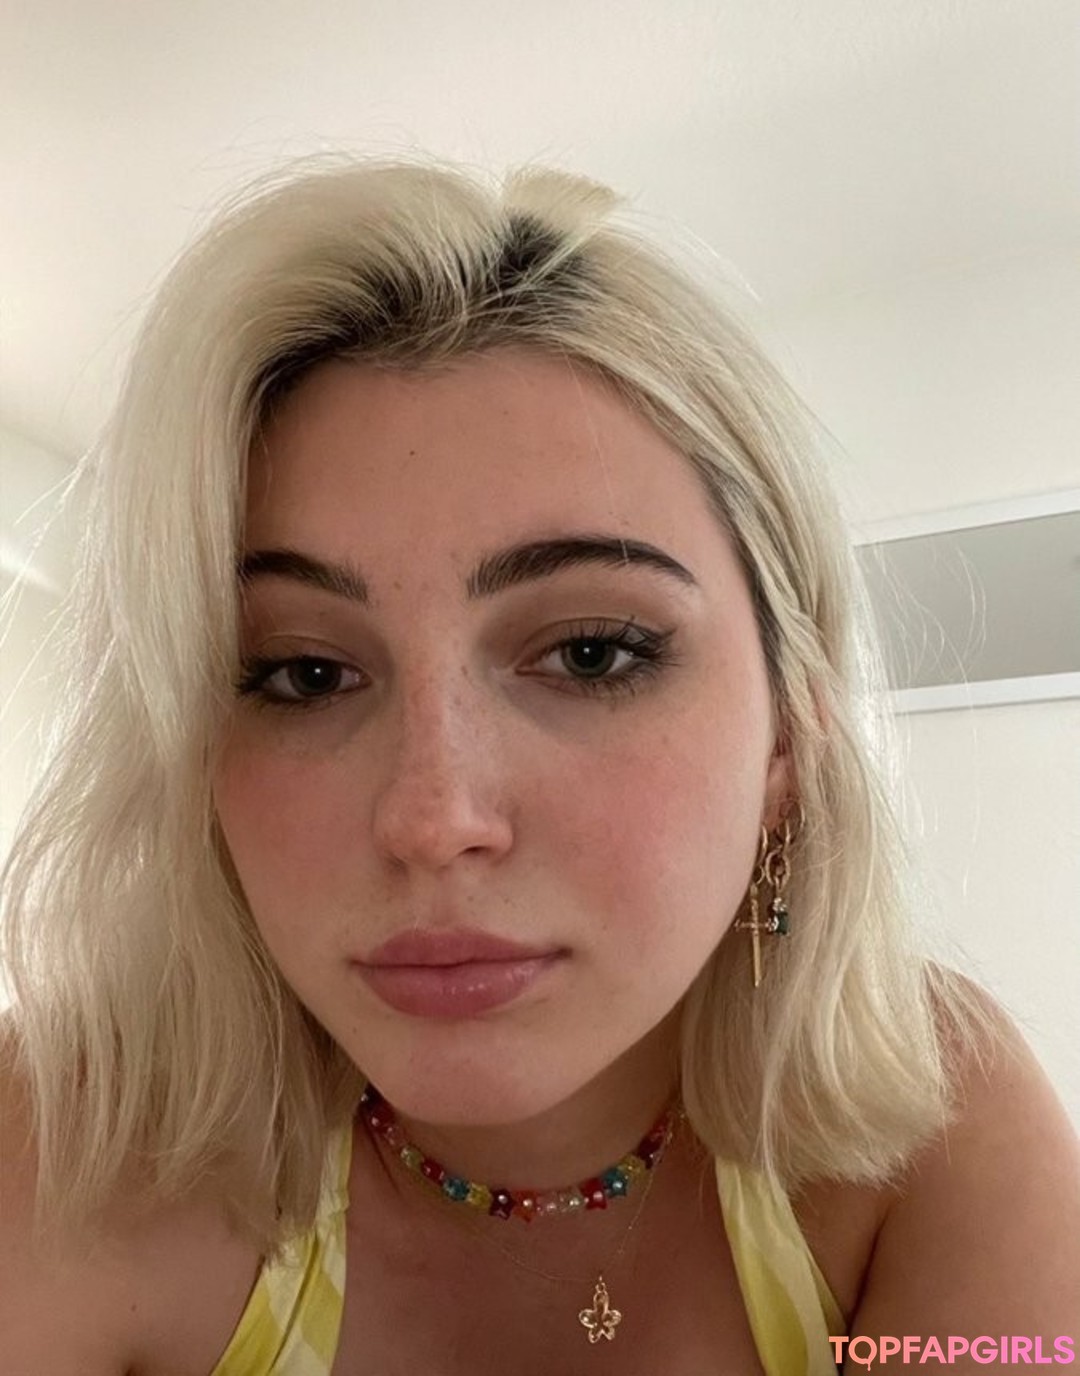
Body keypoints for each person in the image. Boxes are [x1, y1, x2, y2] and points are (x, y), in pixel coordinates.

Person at [1, 157, 1077, 1376]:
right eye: (303, 671)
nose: (433, 817)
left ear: (788, 736)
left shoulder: (939, 1121)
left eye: (590, 651)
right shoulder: (69, 1136)